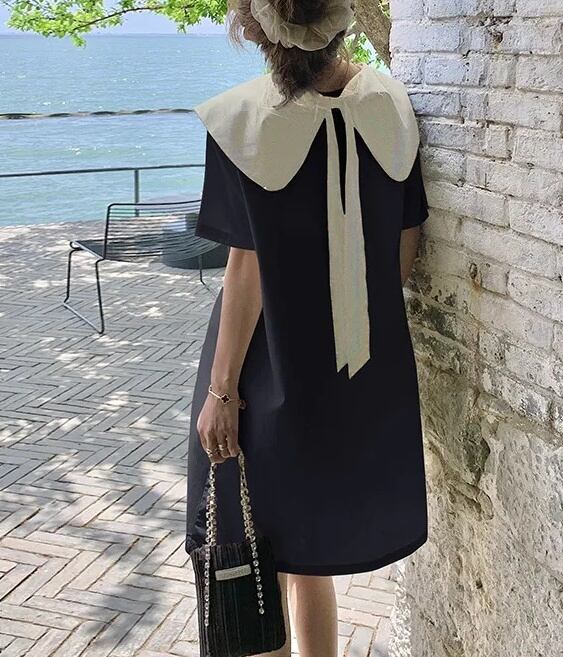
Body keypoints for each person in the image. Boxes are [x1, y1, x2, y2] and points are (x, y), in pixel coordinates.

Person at [184, 0, 430, 655]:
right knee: (307, 549)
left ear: (259, 29)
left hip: (264, 363)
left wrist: (221, 391)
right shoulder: (391, 105)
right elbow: (406, 243)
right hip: (353, 361)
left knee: (251, 546)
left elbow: (246, 271)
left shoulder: (242, 119)